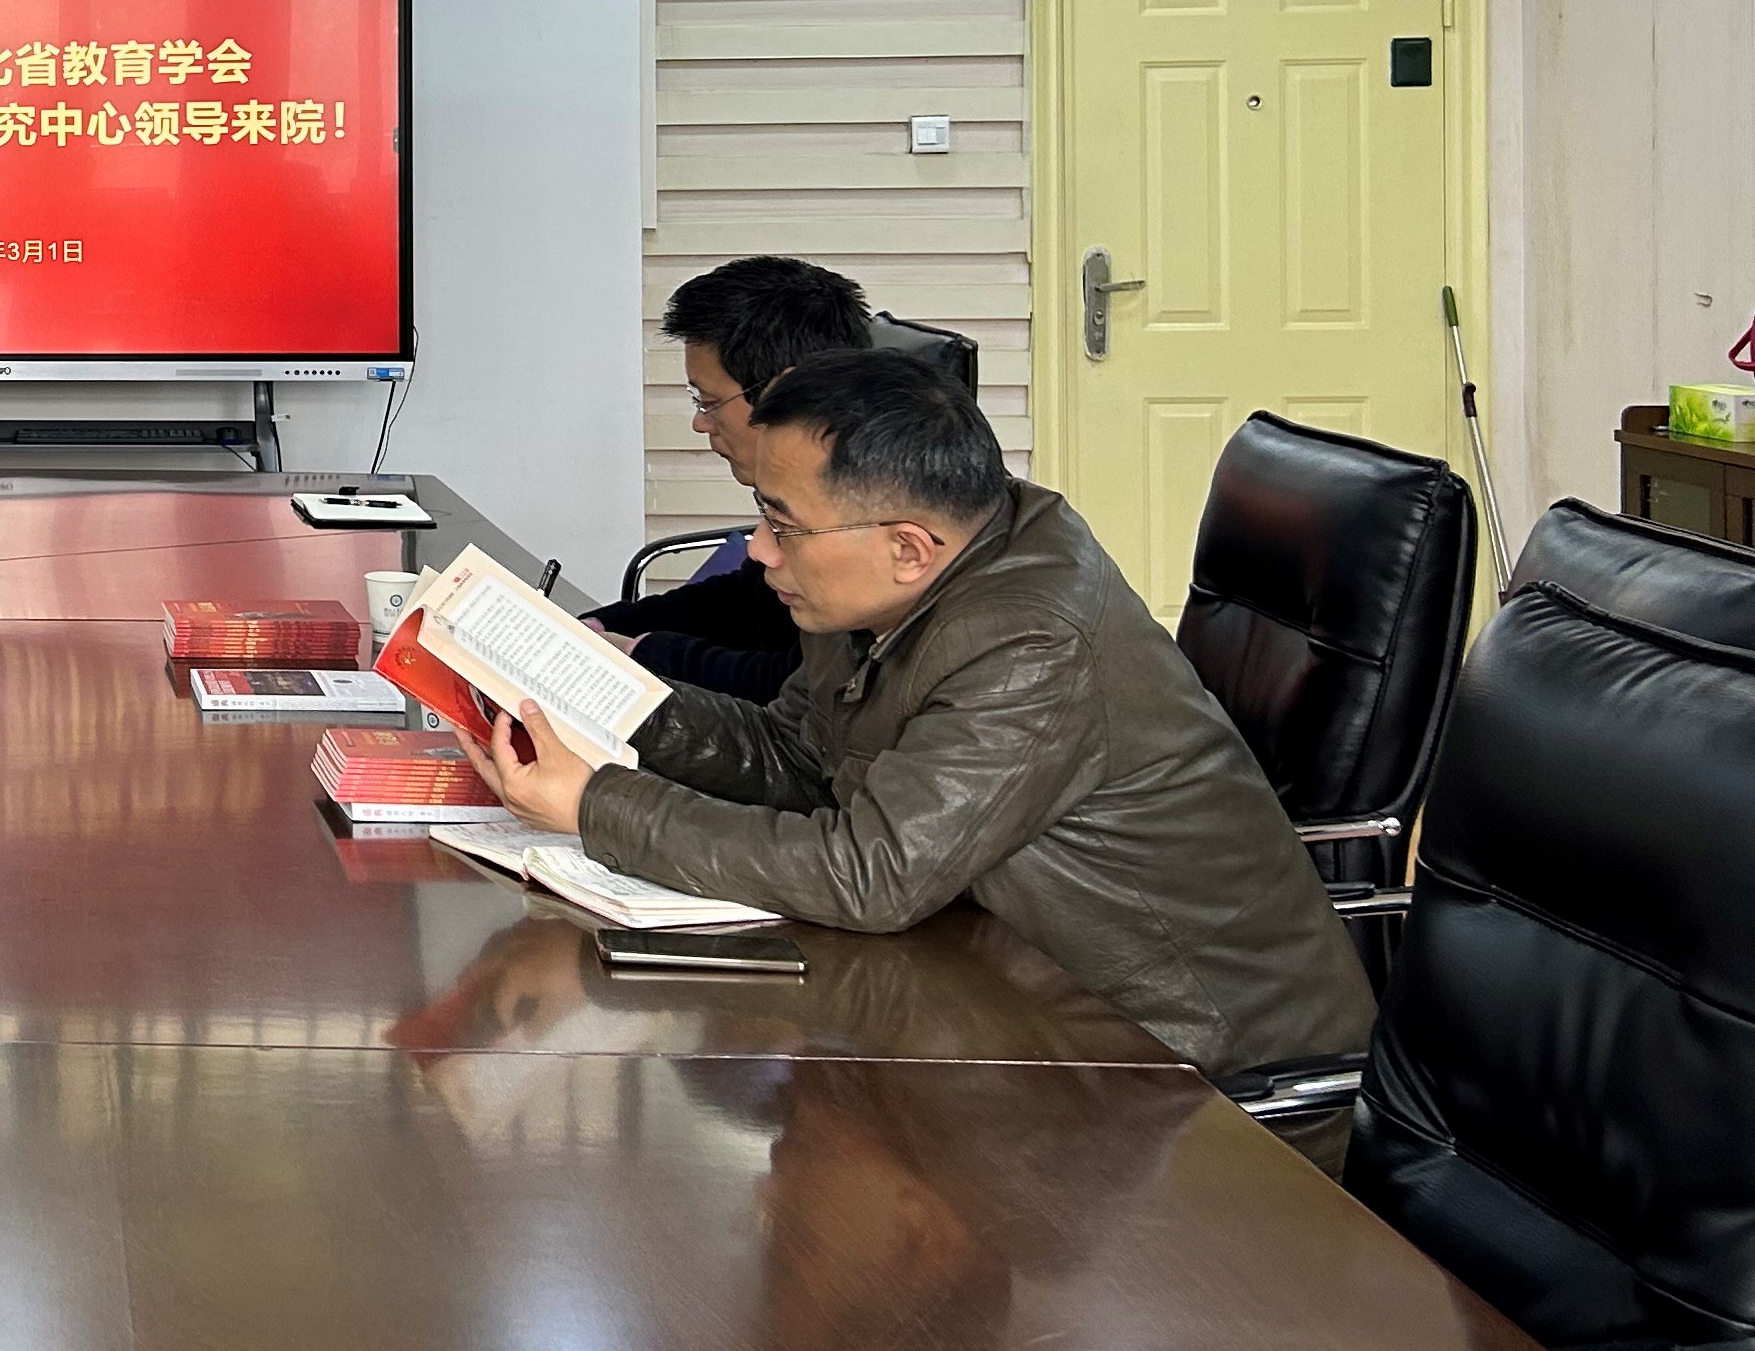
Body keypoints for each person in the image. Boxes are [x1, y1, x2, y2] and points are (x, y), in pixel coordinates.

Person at [458, 349, 1374, 1136]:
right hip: (1013, 1005)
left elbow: (872, 873)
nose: (759, 551)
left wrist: (598, 804)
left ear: (907, 546)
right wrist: (607, 706)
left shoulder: (1031, 642)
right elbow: (799, 757)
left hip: (1197, 1090)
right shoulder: (894, 580)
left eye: (782, 525)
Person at [593, 256, 879, 699]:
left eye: (708, 401)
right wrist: (604, 624)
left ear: (782, 392)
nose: (700, 422)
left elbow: (797, 687)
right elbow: (747, 600)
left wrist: (641, 653)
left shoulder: (864, 509)